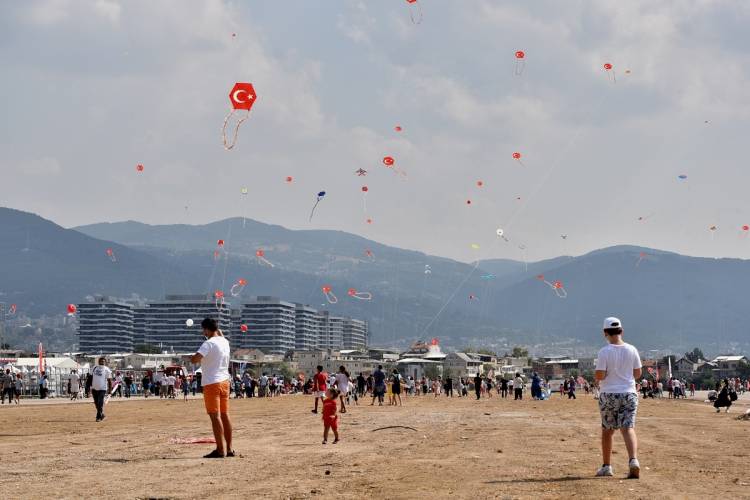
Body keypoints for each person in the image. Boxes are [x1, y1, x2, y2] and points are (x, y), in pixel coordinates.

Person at [594, 317, 642, 479]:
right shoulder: (632, 349)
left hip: (609, 394)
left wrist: (606, 374)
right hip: (629, 393)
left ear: (605, 333)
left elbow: (600, 375)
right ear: (621, 331)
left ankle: (607, 466)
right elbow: (637, 373)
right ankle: (633, 461)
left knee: (607, 431)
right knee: (628, 428)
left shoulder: (604, 352)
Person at [190, 318, 233, 459]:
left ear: (207, 329)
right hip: (225, 381)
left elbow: (195, 359)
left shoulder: (208, 344)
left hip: (211, 383)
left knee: (215, 417)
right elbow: (220, 335)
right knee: (225, 415)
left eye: (204, 330)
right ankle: (230, 448)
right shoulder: (225, 342)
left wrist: (189, 358)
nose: (203, 332)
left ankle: (220, 450)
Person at [91, 357, 112, 422]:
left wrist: (110, 391)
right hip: (94, 388)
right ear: (98, 362)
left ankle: (98, 417)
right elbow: (90, 378)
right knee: (96, 403)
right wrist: (88, 387)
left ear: (105, 362)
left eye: (103, 361)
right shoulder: (94, 368)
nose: (102, 362)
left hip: (102, 389)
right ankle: (102, 415)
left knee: (100, 402)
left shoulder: (107, 370)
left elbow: (109, 381)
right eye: (101, 361)